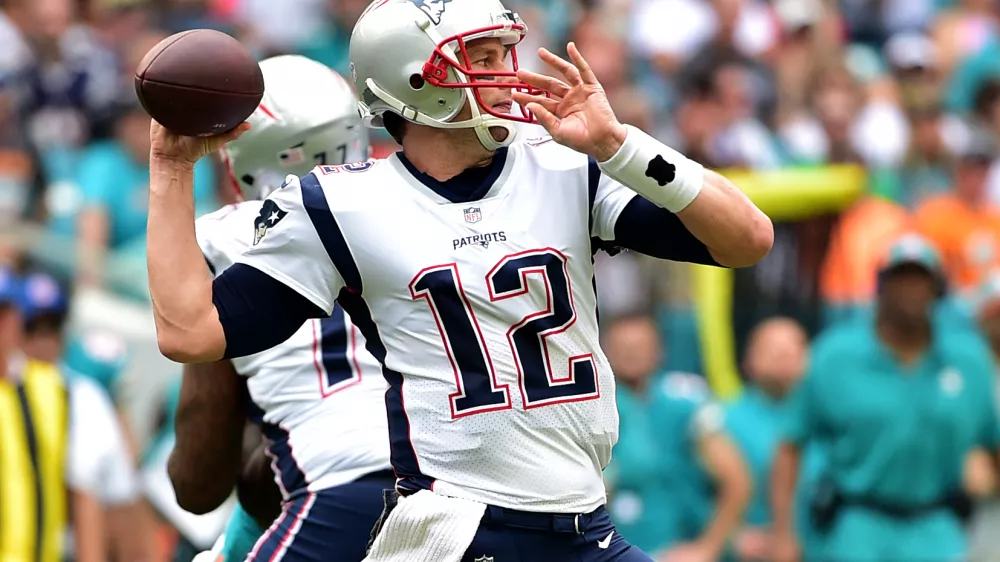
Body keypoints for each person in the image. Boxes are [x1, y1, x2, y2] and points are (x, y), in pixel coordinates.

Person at [144, 0, 773, 560]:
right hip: (458, 526)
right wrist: (171, 169)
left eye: (506, 51)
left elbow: (748, 239)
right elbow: (190, 332)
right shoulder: (343, 206)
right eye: (482, 57)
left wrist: (620, 144)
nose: (507, 73)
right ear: (417, 80)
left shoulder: (565, 167)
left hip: (583, 522)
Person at [165, 55, 390, 562]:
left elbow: (197, 484)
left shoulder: (224, 238)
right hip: (468, 491)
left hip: (333, 496)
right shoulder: (416, 204)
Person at [771, 234, 999, 562]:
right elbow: (790, 443)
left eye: (921, 280)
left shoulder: (968, 360)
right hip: (856, 522)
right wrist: (783, 532)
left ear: (938, 288)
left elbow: (992, 443)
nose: (911, 290)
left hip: (937, 525)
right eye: (900, 279)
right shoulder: (836, 354)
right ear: (880, 286)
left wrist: (986, 471)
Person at [603, 314, 751, 561]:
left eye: (640, 346)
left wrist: (708, 547)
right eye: (623, 347)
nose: (631, 354)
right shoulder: (590, 406)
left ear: (659, 350)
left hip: (679, 545)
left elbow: (737, 481)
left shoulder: (685, 401)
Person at [724, 317, 825, 562]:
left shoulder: (831, 419)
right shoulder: (722, 420)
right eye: (771, 349)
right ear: (747, 360)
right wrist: (731, 536)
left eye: (793, 349)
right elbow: (687, 489)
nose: (783, 356)